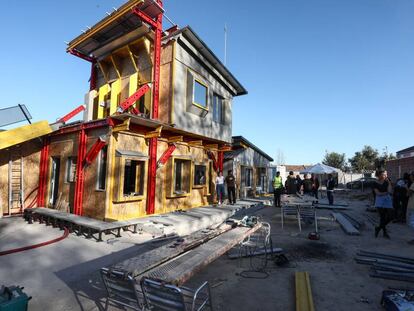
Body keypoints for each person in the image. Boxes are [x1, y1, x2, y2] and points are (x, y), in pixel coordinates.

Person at [373, 170, 393, 239]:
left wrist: (389, 183)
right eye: (384, 174)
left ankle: (378, 228)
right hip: (379, 201)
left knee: (391, 216)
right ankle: (385, 233)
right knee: (382, 217)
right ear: (379, 175)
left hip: (387, 200)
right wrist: (386, 193)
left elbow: (390, 191)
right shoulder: (375, 183)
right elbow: (378, 193)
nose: (385, 175)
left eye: (386, 174)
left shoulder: (387, 182)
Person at [407, 172, 414, 244]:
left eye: (411, 176)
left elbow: (408, 194)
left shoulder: (413, 184)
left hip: (413, 206)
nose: (410, 177)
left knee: (412, 223)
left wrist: (406, 188)